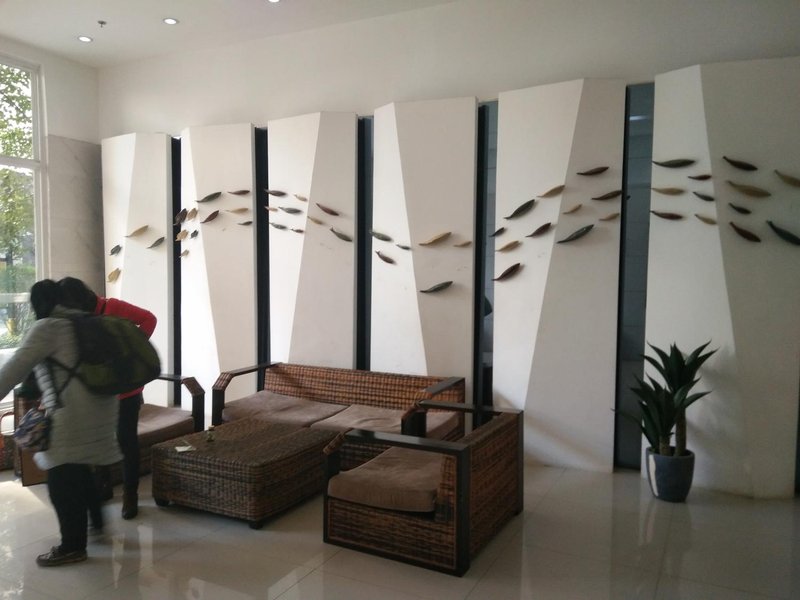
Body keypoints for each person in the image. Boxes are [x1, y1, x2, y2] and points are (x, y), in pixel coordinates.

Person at [0, 280, 121, 566]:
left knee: (60, 479)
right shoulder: (88, 321)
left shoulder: (48, 328)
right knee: (79, 466)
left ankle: (72, 546)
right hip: (104, 408)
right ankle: (97, 524)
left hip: (72, 413)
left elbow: (15, 369)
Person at [58, 277, 157, 520]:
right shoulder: (76, 321)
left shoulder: (112, 307)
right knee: (99, 439)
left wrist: (131, 348)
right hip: (97, 390)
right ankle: (104, 486)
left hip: (126, 391)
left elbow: (149, 319)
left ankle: (130, 495)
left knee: (126, 441)